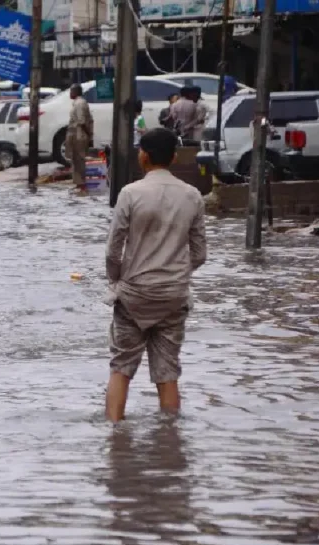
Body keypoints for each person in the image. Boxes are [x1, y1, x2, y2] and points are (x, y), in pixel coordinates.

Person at [103, 128, 207, 423]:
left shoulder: (130, 194)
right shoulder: (193, 196)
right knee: (168, 371)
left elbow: (113, 251)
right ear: (174, 157)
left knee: (121, 368)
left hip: (134, 294)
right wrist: (175, 274)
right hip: (174, 296)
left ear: (143, 156)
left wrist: (118, 280)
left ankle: (114, 436)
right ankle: (170, 439)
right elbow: (199, 254)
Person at [66, 83, 93, 193]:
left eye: (71, 91)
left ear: (76, 92)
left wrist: (89, 135)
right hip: (75, 133)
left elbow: (82, 122)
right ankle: (78, 183)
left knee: (79, 159)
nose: (70, 93)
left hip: (79, 134)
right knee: (75, 159)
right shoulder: (77, 103)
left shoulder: (80, 103)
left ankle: (82, 185)